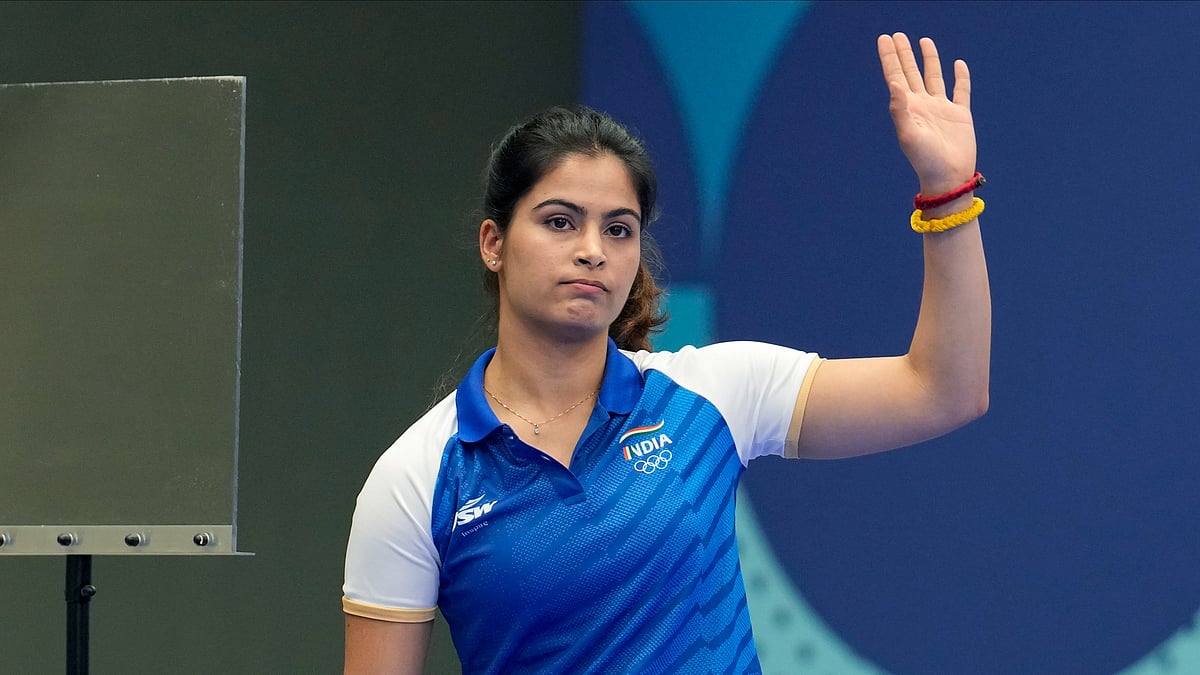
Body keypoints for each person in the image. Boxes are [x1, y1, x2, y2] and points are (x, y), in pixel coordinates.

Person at [342, 32, 989, 674]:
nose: (592, 248)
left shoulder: (715, 394)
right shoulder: (417, 479)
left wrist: (949, 189)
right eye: (560, 220)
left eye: (618, 228)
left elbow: (943, 388)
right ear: (493, 241)